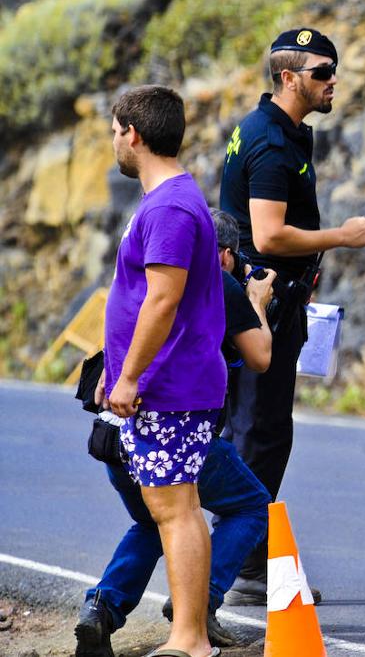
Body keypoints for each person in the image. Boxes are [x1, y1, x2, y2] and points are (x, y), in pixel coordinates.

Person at [76, 211, 277, 657]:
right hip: (173, 429)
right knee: (251, 505)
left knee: (154, 521)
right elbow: (260, 356)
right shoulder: (215, 279)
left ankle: (100, 609)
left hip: (115, 432)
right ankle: (199, 604)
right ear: (224, 254)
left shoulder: (145, 276)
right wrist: (257, 300)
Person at [218, 27, 365, 604]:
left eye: (334, 70)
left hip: (275, 297)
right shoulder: (271, 142)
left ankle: (242, 554)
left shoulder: (278, 130)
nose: (333, 81)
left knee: (258, 428)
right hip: (264, 302)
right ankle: (243, 562)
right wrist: (341, 237)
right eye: (321, 72)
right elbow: (268, 234)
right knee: (259, 430)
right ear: (288, 78)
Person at [94, 85, 225, 657]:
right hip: (166, 383)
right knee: (178, 507)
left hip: (170, 386)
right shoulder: (165, 200)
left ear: (134, 134)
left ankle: (189, 639)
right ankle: (189, 635)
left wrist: (130, 377)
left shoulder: (170, 206)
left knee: (174, 510)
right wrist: (115, 368)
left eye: (114, 131)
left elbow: (163, 299)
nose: (113, 142)